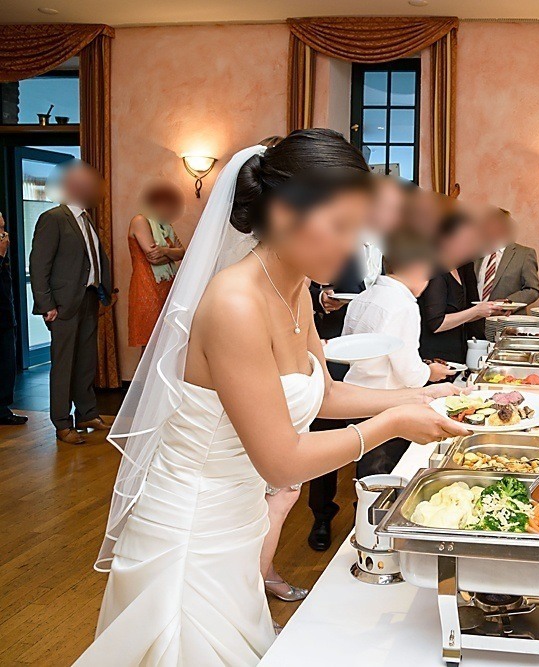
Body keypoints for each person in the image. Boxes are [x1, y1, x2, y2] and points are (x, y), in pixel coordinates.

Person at [78, 130, 469, 666]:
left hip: (239, 523)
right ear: (285, 214)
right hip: (192, 529)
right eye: (341, 226)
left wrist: (426, 395)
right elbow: (281, 457)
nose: (354, 246)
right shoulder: (234, 303)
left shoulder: (294, 290)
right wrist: (394, 422)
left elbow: (324, 393)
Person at [305, 176, 405, 551]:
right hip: (334, 349)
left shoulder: (397, 243)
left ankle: (363, 512)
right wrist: (322, 298)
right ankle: (321, 515)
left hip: (381, 356)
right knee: (326, 430)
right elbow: (307, 280)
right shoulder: (336, 234)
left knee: (375, 439)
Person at [343, 230, 455, 477]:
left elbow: (349, 346)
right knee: (382, 472)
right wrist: (430, 372)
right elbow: (410, 375)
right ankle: (374, 514)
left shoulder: (363, 297)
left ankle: (362, 510)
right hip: (388, 403)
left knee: (366, 470)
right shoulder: (404, 305)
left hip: (356, 399)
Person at [29, 161, 112, 444]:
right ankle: (62, 422)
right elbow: (39, 265)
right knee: (64, 365)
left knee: (86, 362)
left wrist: (105, 291)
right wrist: (46, 304)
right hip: (63, 305)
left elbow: (95, 260)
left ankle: (87, 413)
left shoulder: (87, 220)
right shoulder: (53, 219)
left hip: (89, 299)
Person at [419, 211, 500, 363]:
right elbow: (437, 323)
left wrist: (490, 310)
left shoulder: (461, 267)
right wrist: (477, 310)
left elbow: (463, 315)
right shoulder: (435, 268)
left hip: (457, 353)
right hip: (436, 357)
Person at [127, 179, 186, 350]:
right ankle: (146, 378)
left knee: (165, 343)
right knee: (150, 344)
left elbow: (183, 253)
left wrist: (165, 251)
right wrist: (171, 252)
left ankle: (160, 378)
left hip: (167, 287)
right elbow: (153, 257)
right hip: (147, 288)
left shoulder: (166, 226)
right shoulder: (140, 220)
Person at [473, 207, 539, 313]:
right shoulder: (474, 253)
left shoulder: (524, 254)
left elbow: (532, 290)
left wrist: (508, 303)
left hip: (507, 320)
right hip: (474, 322)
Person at [0, 212, 26, 426]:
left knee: (7, 362)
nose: (5, 234)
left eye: (4, 228)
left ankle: (3, 408)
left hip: (5, 316)